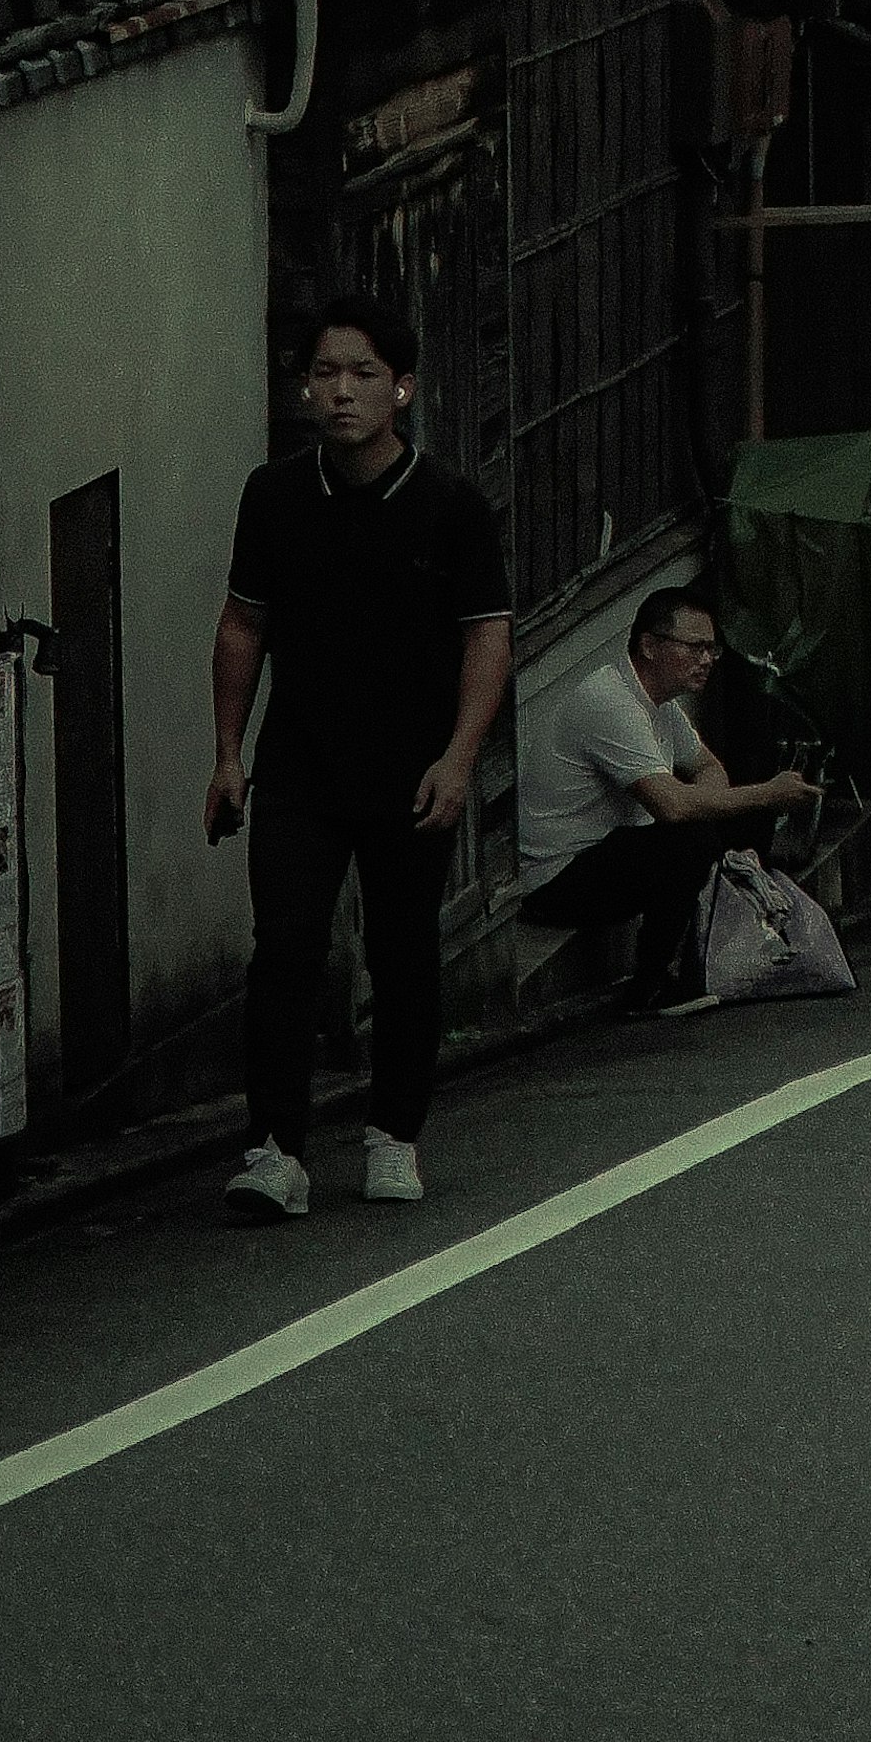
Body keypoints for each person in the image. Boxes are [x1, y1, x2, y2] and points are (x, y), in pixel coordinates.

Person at [208, 290, 512, 1221]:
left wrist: (460, 757)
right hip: (298, 762)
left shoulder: (450, 506)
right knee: (287, 949)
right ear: (306, 386)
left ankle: (394, 1134)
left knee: (403, 950)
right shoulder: (276, 495)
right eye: (326, 373)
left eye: (364, 375)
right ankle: (275, 1151)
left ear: (404, 390)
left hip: (411, 766)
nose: (341, 392)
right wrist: (228, 754)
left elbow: (488, 637)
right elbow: (242, 626)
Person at [517, 589, 820, 1011]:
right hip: (558, 876)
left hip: (612, 851)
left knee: (717, 818)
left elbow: (709, 768)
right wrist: (767, 795)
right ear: (649, 646)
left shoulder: (662, 704)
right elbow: (671, 807)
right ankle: (651, 985)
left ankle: (745, 934)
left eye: (712, 649)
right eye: (695, 647)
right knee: (692, 836)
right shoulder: (610, 700)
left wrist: (714, 805)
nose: (708, 660)